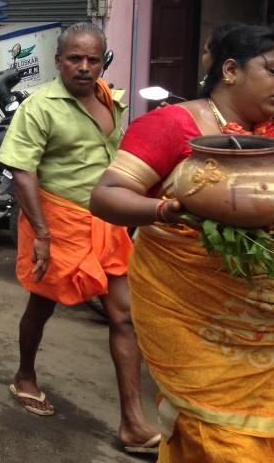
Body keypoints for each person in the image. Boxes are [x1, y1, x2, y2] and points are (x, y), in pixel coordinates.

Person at [90, 23, 274, 462]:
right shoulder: (174, 124)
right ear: (231, 70)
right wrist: (165, 210)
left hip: (261, 324)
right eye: (271, 70)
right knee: (222, 437)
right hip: (190, 312)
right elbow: (105, 195)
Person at [0, 23, 160, 453]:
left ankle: (133, 423)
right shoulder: (40, 106)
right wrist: (43, 236)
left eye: (92, 59)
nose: (84, 68)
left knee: (123, 316)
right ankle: (24, 376)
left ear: (102, 61)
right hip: (58, 223)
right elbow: (22, 170)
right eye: (75, 59)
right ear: (58, 61)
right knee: (42, 303)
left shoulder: (110, 98)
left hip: (106, 225)